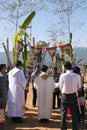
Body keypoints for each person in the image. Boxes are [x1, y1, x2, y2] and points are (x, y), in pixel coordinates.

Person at [59, 62, 81, 130]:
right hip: (73, 96)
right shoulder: (77, 76)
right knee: (74, 114)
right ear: (71, 67)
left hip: (65, 96)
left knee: (63, 113)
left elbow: (60, 86)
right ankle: (75, 128)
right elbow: (79, 87)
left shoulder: (62, 76)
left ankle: (63, 128)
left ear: (65, 68)